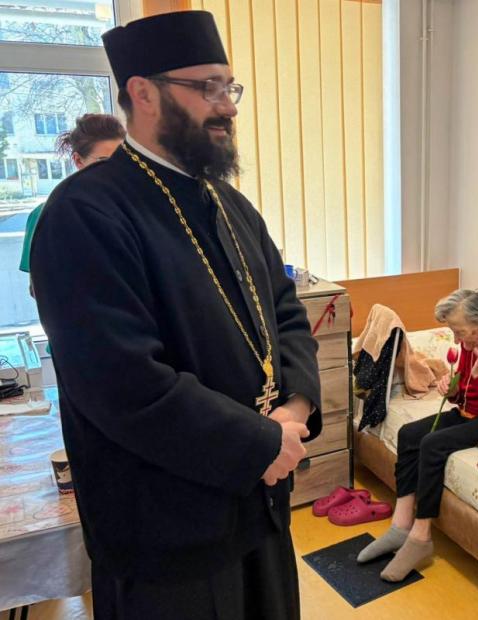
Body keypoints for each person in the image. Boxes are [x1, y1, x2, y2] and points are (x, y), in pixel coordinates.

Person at [30, 11, 321, 620]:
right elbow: (121, 383)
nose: (228, 106)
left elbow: (286, 311)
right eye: (207, 87)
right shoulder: (84, 213)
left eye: (229, 87)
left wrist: (294, 410)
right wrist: (261, 442)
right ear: (143, 93)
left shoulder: (230, 203)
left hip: (260, 501)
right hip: (166, 536)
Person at [357, 289, 478, 581]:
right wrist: (451, 389)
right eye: (452, 331)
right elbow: (463, 391)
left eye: (459, 332)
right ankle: (400, 526)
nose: (455, 339)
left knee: (432, 444)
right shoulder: (472, 339)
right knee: (408, 434)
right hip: (469, 413)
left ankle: (421, 536)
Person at [19, 113, 125, 277]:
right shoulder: (46, 215)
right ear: (78, 161)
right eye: (104, 161)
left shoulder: (134, 210)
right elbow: (38, 285)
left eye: (123, 160)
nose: (116, 170)